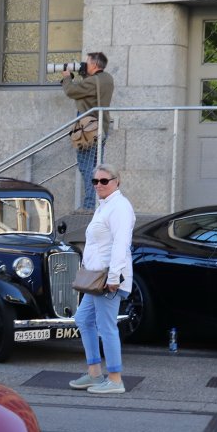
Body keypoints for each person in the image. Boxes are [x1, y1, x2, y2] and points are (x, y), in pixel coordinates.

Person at [70, 164, 134, 395]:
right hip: (96, 279)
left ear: (116, 181)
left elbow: (121, 244)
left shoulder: (120, 207)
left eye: (104, 181)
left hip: (108, 279)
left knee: (106, 326)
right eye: (95, 181)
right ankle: (95, 373)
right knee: (83, 319)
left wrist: (114, 276)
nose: (99, 185)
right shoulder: (104, 206)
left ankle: (115, 380)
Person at [59, 51, 114, 210]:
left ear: (95, 64)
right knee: (97, 167)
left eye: (88, 62)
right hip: (101, 126)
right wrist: (84, 74)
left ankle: (90, 205)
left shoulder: (92, 81)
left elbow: (71, 91)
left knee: (87, 167)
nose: (85, 64)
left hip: (88, 128)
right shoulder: (107, 79)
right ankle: (98, 202)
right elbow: (91, 92)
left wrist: (67, 77)